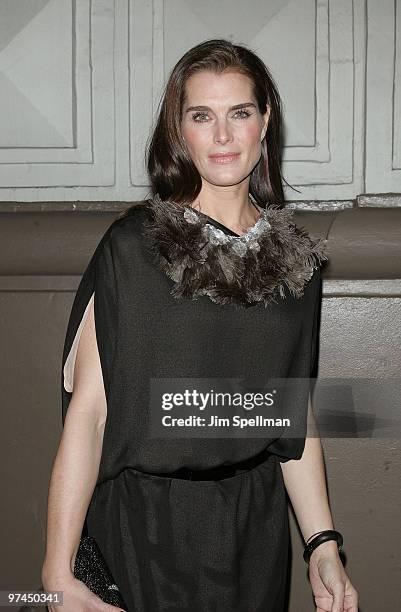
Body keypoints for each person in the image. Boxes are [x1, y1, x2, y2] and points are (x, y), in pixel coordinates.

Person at [42, 39, 359, 612]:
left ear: (265, 123)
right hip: (146, 528)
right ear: (179, 131)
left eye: (240, 113)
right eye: (201, 116)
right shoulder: (133, 250)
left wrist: (322, 544)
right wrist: (56, 572)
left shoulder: (294, 263)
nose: (222, 136)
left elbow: (290, 413)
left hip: (255, 532)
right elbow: (89, 416)